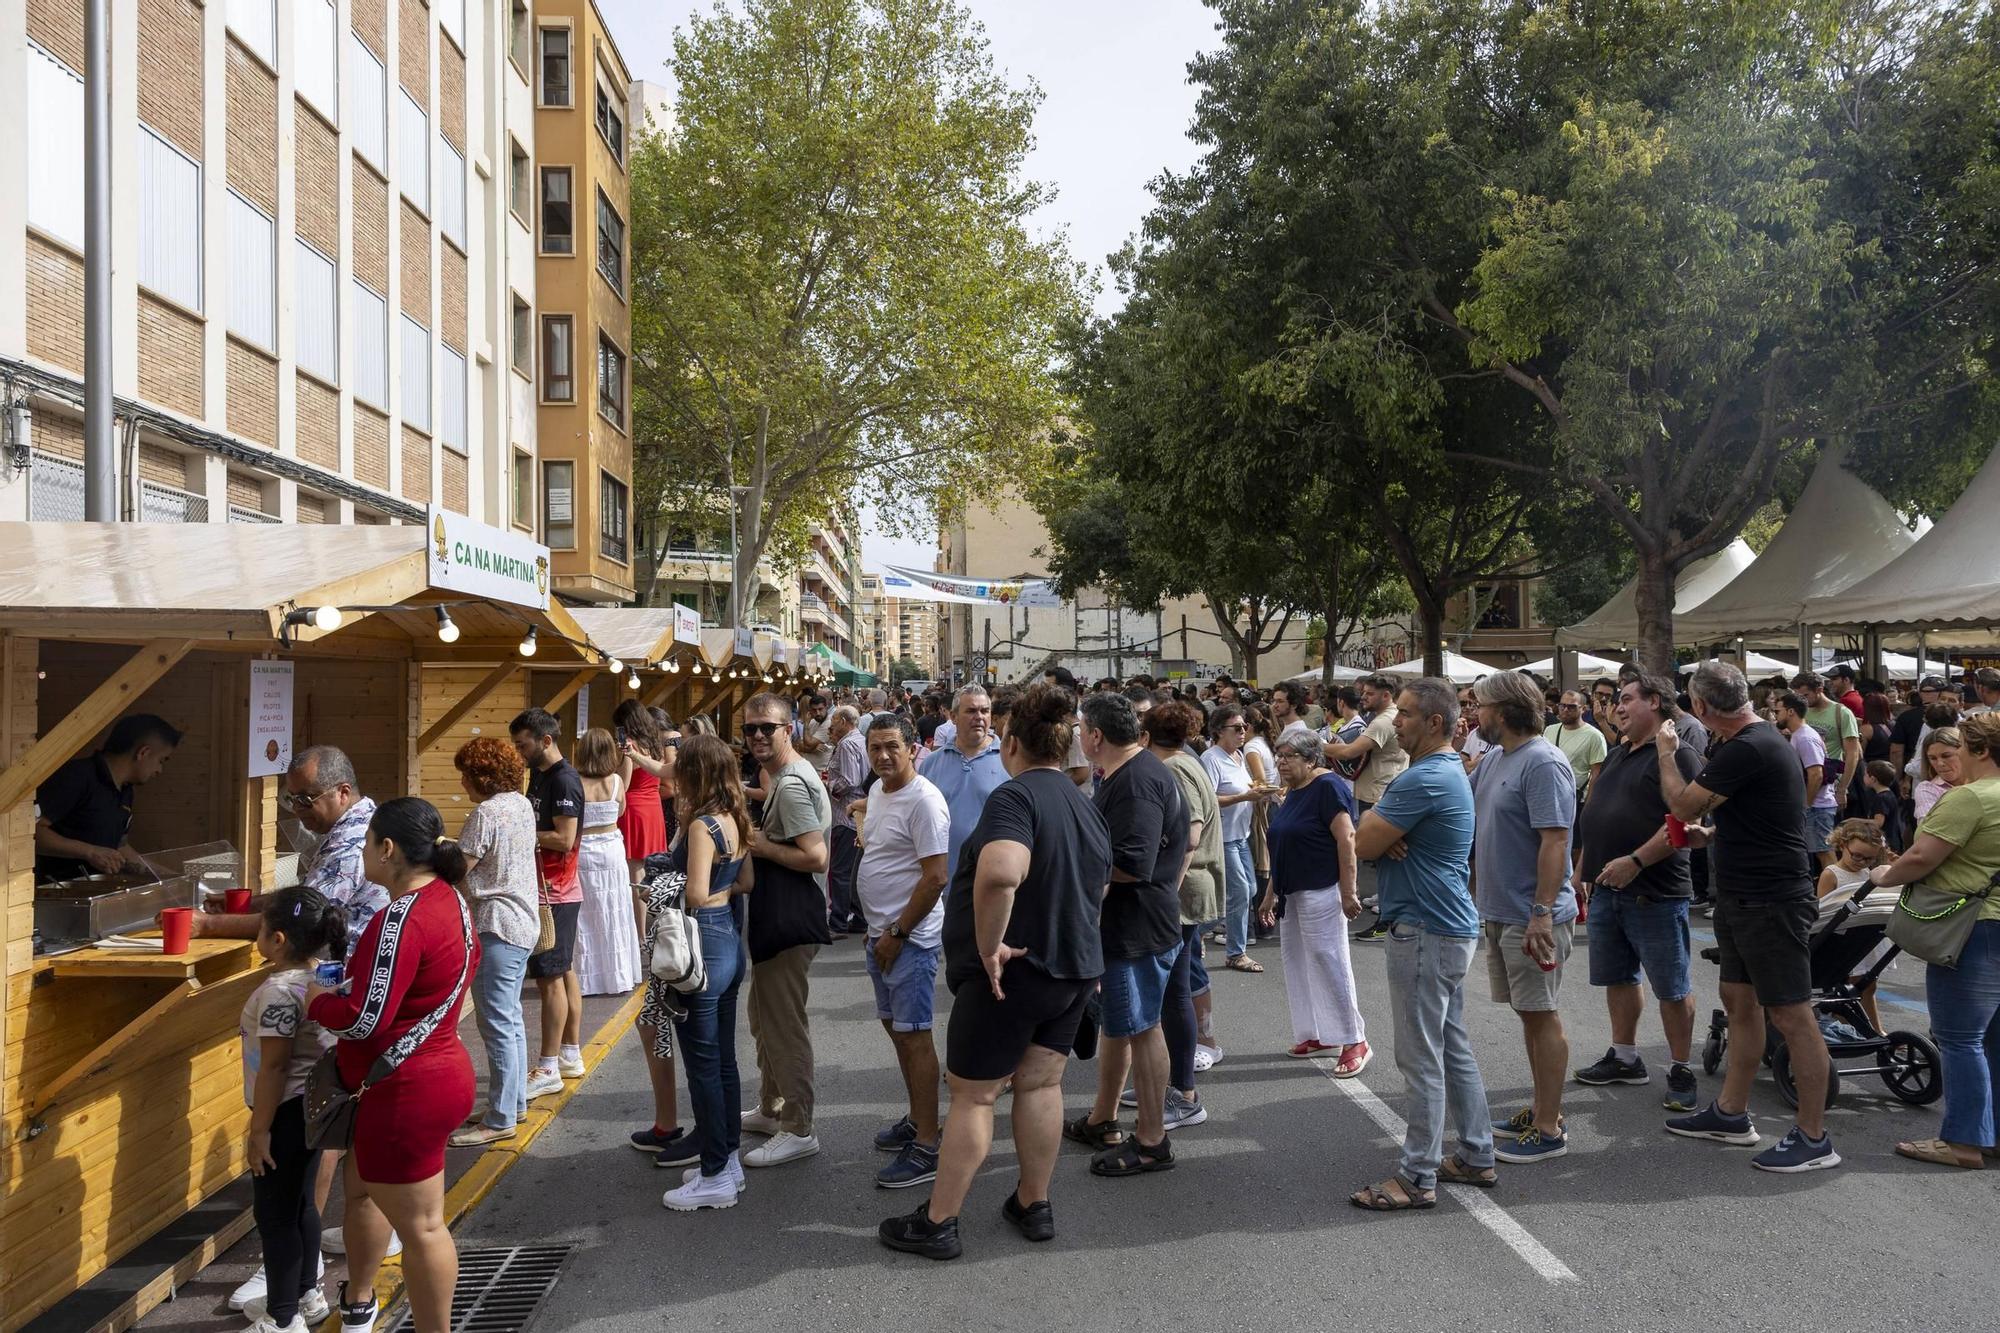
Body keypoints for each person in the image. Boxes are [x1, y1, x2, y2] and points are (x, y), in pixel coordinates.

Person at [878, 685, 1112, 1260]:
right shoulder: (1084, 801)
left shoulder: (1016, 797)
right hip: (1071, 970)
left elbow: (1002, 872)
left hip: (1014, 975)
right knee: (1040, 1084)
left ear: (1010, 743)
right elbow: (1097, 884)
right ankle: (1033, 1201)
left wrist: (989, 946)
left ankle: (939, 1220)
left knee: (975, 1098)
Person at [1658, 661, 1839, 1172]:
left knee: (1792, 1013)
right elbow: (1760, 817)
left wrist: (1667, 755)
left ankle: (1813, 1137)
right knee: (1740, 1002)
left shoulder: (1749, 746)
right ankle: (1732, 1113)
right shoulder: (1750, 743)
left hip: (1770, 898)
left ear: (1700, 707)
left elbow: (1681, 805)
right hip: (1745, 894)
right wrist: (1714, 836)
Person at [305, 799, 477, 1333]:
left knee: (423, 1227)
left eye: (365, 843)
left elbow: (362, 1020)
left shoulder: (400, 916)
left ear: (387, 849)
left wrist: (316, 997)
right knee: (363, 1193)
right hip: (425, 1076)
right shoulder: (449, 898)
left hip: (404, 1090)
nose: (360, 853)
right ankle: (358, 1302)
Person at [230, 747, 394, 1304]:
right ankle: (317, 1276)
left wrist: (209, 922)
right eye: (290, 799)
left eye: (304, 798)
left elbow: (274, 1067)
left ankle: (290, 1296)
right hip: (344, 1008)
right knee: (333, 1151)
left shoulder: (350, 845)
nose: (297, 809)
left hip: (322, 1045)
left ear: (342, 792)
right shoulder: (359, 830)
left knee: (303, 1175)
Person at [1349, 679, 1493, 1210]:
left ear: (1434, 723)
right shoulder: (1441, 770)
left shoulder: (1424, 777)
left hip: (1426, 931)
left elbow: (1362, 841)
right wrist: (1384, 830)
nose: (1394, 722)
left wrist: (1381, 828)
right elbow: (1374, 838)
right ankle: (1476, 1154)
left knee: (1419, 1056)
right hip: (1445, 927)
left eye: (1405, 714)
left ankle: (1417, 1177)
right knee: (1449, 1045)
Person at [1869, 712, 2000, 1170]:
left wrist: (1884, 873)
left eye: (1960, 747)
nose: (1954, 755)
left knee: (1960, 1038)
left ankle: (1963, 1140)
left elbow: (1921, 857)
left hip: (1972, 925)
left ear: (1980, 751)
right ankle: (1991, 1133)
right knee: (1993, 1037)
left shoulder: (1971, 798)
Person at [1068, 693, 1189, 1176]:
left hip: (1138, 924)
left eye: (1082, 729)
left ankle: (1152, 1139)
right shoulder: (1132, 772)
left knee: (1142, 1028)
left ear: (1096, 736)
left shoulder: (1137, 781)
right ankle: (1104, 1118)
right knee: (1120, 1028)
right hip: (1135, 923)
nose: (1078, 737)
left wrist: (1077, 870)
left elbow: (1133, 862)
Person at [1571, 674, 1702, 1112]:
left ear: (1657, 703)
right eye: (1613, 702)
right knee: (1618, 977)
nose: (1616, 708)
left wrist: (1636, 861)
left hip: (1655, 892)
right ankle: (1625, 1056)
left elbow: (1683, 825)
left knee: (1672, 986)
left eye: (1626, 700)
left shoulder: (1677, 755)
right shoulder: (1617, 753)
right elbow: (1596, 813)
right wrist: (1581, 870)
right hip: (1608, 888)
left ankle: (1681, 1067)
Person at [1467, 671, 1577, 1163]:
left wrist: (1540, 913)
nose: (1475, 714)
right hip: (1501, 911)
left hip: (1532, 917)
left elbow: (1555, 840)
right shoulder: (1494, 759)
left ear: (1506, 710)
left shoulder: (1544, 763)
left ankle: (1549, 1128)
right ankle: (1539, 1110)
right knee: (1529, 1014)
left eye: (1481, 706)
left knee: (1541, 1013)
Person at [237, 887, 344, 1333]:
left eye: (260, 928)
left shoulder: (280, 992)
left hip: (285, 1111)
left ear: (277, 939)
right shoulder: (323, 975)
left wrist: (259, 1130)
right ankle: (306, 1295)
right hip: (316, 1107)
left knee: (275, 1216)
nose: (257, 935)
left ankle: (281, 1319)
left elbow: (275, 1066)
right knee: (301, 1203)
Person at [854, 714, 953, 1189]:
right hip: (882, 936)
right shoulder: (878, 792)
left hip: (908, 940)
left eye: (892, 746)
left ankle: (929, 1145)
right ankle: (918, 1118)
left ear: (913, 748)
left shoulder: (925, 801)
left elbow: (936, 876)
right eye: (875, 748)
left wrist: (896, 930)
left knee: (915, 1037)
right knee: (896, 1031)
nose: (883, 756)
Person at [658, 735, 757, 1210]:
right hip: (729, 941)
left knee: (702, 1066)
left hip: (701, 938)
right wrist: (722, 891)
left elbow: (695, 894)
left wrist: (666, 884)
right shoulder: (737, 817)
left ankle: (716, 1173)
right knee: (724, 1061)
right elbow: (748, 881)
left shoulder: (701, 825)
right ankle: (728, 1158)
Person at [740, 692, 833, 1168]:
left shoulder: (792, 783)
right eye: (749, 728)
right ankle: (773, 1105)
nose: (757, 735)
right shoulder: (784, 777)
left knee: (783, 1025)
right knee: (764, 1017)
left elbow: (816, 856)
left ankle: (799, 1126)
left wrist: (759, 845)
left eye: (767, 728)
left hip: (789, 916)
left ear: (789, 729)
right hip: (781, 914)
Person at [447, 739, 541, 1149]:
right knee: (511, 1018)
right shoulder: (521, 804)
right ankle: (512, 1102)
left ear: (482, 776)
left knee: (497, 1022)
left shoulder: (486, 812)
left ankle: (501, 1116)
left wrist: (435, 850)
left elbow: (458, 867)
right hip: (523, 922)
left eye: (466, 774)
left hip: (494, 922)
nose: (464, 782)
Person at [1259, 730, 1371, 1070]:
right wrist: (1269, 896)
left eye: (1288, 756)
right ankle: (1320, 1033)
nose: (1280, 762)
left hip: (1322, 889)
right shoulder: (1294, 790)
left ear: (1311, 759)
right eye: (1278, 756)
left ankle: (1355, 1039)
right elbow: (1284, 848)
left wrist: (1348, 891)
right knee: (1299, 964)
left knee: (1329, 960)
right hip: (1294, 893)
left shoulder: (1328, 787)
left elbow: (1347, 839)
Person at [1148, 702, 1223, 1115]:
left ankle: (1184, 1093)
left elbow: (1190, 836)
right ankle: (1165, 1082)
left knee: (1175, 991)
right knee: (1171, 990)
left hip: (1185, 891)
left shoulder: (1175, 768)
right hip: (1189, 889)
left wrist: (1165, 892)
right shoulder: (1187, 761)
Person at [511, 709, 586, 1096]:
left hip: (554, 892)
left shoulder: (565, 780)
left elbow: (565, 838)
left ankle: (548, 1066)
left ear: (545, 741)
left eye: (523, 745)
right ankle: (570, 1054)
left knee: (550, 979)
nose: (518, 752)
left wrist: (520, 831)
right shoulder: (540, 775)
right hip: (548, 888)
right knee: (562, 970)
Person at [34, 712, 180, 882]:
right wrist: (89, 851)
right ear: (143, 752)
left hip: (94, 894)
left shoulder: (126, 790)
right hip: (52, 894)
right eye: (161, 760)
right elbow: (31, 833)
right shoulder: (75, 777)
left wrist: (170, 878)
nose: (159, 771)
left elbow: (120, 846)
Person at [571, 728, 644, 996]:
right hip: (611, 850)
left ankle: (587, 979)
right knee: (615, 910)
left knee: (585, 915)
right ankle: (618, 975)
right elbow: (621, 810)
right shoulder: (614, 781)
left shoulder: (574, 782)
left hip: (584, 852)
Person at [1200, 705, 1270, 974]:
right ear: (1219, 731)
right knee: (1240, 892)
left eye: (1244, 727)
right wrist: (1244, 798)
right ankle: (1235, 952)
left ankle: (1197, 931)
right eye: (1237, 728)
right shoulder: (1211, 758)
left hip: (1241, 835)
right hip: (1223, 837)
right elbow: (1209, 800)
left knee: (1249, 890)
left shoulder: (1239, 756)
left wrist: (1263, 793)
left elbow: (1247, 789)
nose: (1243, 732)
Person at [919, 686, 1008, 882]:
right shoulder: (930, 764)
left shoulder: (1011, 761)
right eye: (971, 711)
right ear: (953, 716)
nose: (979, 717)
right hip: (942, 884)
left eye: (985, 711)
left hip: (992, 882)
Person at [1776, 690, 1840, 869]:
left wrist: (1806, 804)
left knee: (1825, 853)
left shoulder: (1805, 737)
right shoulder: (1799, 735)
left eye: (1777, 711)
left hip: (1818, 806)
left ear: (1790, 712)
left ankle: (1837, 894)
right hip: (1817, 806)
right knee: (1822, 853)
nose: (1776, 716)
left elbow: (1816, 774)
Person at [614, 699, 672, 894]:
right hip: (654, 809)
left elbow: (624, 784)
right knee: (652, 867)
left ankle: (639, 925)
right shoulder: (655, 743)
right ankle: (654, 918)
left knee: (635, 871)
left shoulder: (629, 744)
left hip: (633, 809)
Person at [823, 705, 869, 937]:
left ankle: (838, 921)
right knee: (852, 871)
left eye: (834, 720)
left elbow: (850, 779)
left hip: (846, 815)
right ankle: (859, 918)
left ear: (843, 720)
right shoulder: (859, 740)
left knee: (841, 871)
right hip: (855, 814)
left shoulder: (847, 744)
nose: (831, 725)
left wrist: (828, 787)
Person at [1792, 671, 1863, 812]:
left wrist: (1842, 789)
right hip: (1803, 782)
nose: (1802, 700)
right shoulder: (1801, 711)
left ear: (1819, 690)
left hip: (1830, 785)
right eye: (1799, 696)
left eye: (1806, 695)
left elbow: (1853, 754)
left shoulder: (1842, 713)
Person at [1545, 691, 1608, 811]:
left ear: (1583, 709)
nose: (1565, 710)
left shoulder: (1594, 736)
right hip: (1550, 797)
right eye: (1562, 705)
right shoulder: (1549, 730)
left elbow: (1597, 773)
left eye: (1572, 707)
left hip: (1577, 801)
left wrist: (1588, 807)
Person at [1917, 727, 1966, 821]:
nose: (1940, 763)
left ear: (1964, 752)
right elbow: (1928, 827)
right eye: (1933, 758)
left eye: (1946, 756)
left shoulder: (1985, 781)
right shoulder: (1927, 789)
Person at [1861, 759, 1906, 851]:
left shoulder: (1881, 798)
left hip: (1886, 843)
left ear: (1873, 779)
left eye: (1865, 775)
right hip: (1894, 840)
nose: (1863, 776)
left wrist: (1855, 821)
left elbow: (1878, 822)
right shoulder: (1890, 794)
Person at [1269, 682, 1314, 746]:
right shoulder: (1290, 727)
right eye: (1273, 701)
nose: (1274, 705)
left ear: (1294, 705)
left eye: (1280, 701)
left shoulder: (1297, 732)